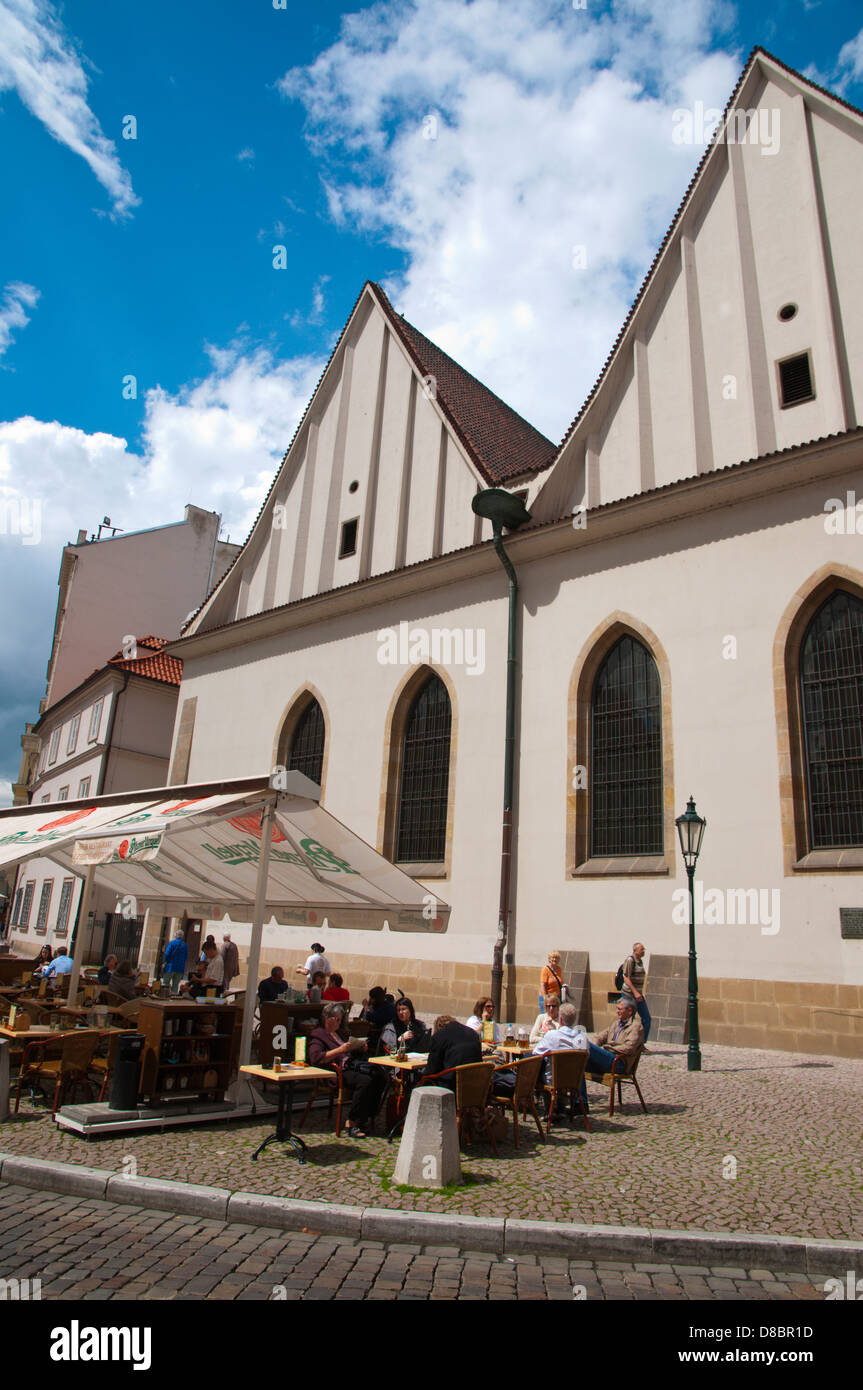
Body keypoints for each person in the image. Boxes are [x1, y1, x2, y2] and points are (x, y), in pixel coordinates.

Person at [307, 1002, 387, 1139]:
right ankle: (352, 1121)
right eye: (336, 1019)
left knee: (380, 1075)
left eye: (340, 1020)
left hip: (350, 1065)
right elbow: (316, 1058)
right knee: (365, 1081)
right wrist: (340, 1050)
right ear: (327, 1018)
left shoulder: (340, 1033)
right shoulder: (318, 1035)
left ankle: (367, 1115)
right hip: (335, 1072)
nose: (339, 1023)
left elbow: (349, 1051)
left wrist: (359, 1047)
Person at [532, 1001, 589, 1114]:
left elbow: (536, 1053)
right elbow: (587, 1057)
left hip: (554, 1079)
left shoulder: (553, 1035)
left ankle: (549, 1109)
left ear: (560, 1020)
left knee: (539, 1067)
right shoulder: (582, 1037)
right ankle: (561, 1107)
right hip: (574, 1079)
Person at [587, 997, 644, 1077]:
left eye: (620, 1009)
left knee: (587, 1045)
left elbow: (629, 1048)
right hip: (608, 1058)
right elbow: (599, 1037)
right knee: (579, 1064)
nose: (617, 1012)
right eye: (617, 1009)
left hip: (619, 1063)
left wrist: (609, 1048)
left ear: (629, 1011)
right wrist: (597, 1048)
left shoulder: (636, 1027)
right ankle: (580, 1090)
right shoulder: (616, 1024)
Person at [422, 1014, 482, 1089]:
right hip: (477, 1084)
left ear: (439, 1027)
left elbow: (431, 1069)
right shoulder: (473, 1033)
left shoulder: (439, 1036)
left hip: (452, 1085)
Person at [621, 941, 650, 1044]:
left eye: (643, 949)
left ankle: (641, 1043)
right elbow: (626, 978)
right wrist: (635, 992)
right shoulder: (630, 960)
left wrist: (639, 993)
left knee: (646, 1018)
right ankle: (623, 1040)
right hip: (629, 994)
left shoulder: (640, 961)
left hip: (638, 995)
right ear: (635, 950)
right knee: (627, 1018)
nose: (643, 951)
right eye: (642, 949)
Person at [360, 985, 396, 1054]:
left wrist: (366, 1007)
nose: (370, 1000)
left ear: (375, 999)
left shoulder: (384, 1009)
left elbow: (369, 1018)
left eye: (371, 998)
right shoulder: (387, 1006)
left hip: (379, 1037)